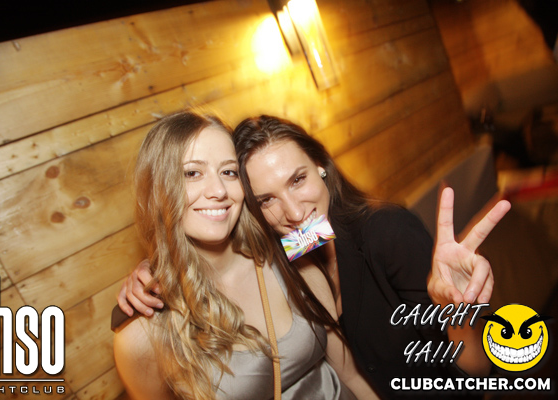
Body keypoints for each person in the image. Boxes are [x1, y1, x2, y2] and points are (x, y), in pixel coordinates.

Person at [118, 115, 511, 398]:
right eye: (266, 199)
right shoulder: (299, 242)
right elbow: (201, 251)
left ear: (321, 166)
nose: (292, 211)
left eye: (298, 179)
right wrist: (152, 269)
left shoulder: (384, 232)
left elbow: (476, 370)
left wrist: (456, 311)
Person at [112, 111, 378, 400]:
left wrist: (392, 227)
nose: (218, 191)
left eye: (229, 172)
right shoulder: (140, 333)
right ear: (158, 188)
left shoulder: (285, 245)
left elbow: (350, 373)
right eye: (192, 173)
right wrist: (154, 268)